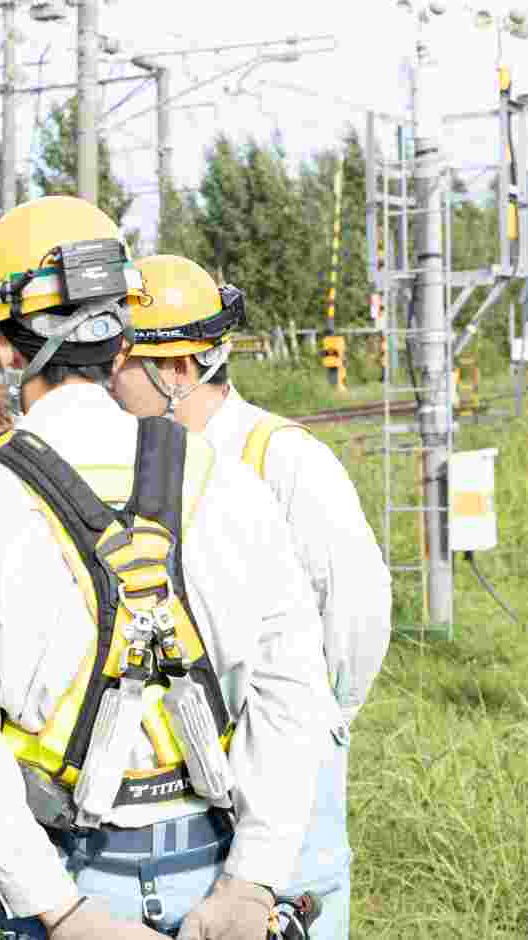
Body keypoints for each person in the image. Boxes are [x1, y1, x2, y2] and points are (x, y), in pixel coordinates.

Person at [0, 195, 339, 940]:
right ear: (123, 340)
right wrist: (252, 881)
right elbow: (295, 694)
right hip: (219, 875)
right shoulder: (230, 484)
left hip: (67, 882)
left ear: (5, 347)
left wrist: (64, 912)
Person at [107, 253, 393, 940]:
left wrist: (312, 721)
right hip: (177, 796)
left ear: (176, 370)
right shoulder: (128, 467)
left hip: (288, 777)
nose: (104, 381)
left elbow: (357, 617)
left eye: (118, 364)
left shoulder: (283, 460)